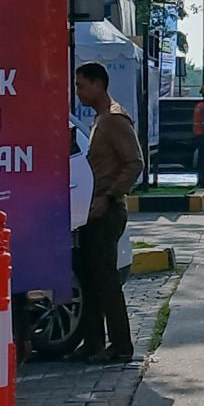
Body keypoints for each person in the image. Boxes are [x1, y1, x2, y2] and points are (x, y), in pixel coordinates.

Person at [71, 62, 143, 364]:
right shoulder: (100, 118)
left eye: (82, 85)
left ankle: (121, 346)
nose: (78, 91)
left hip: (107, 209)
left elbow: (134, 163)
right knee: (88, 279)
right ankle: (93, 342)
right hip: (91, 210)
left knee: (106, 281)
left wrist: (111, 195)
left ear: (98, 84)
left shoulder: (114, 119)